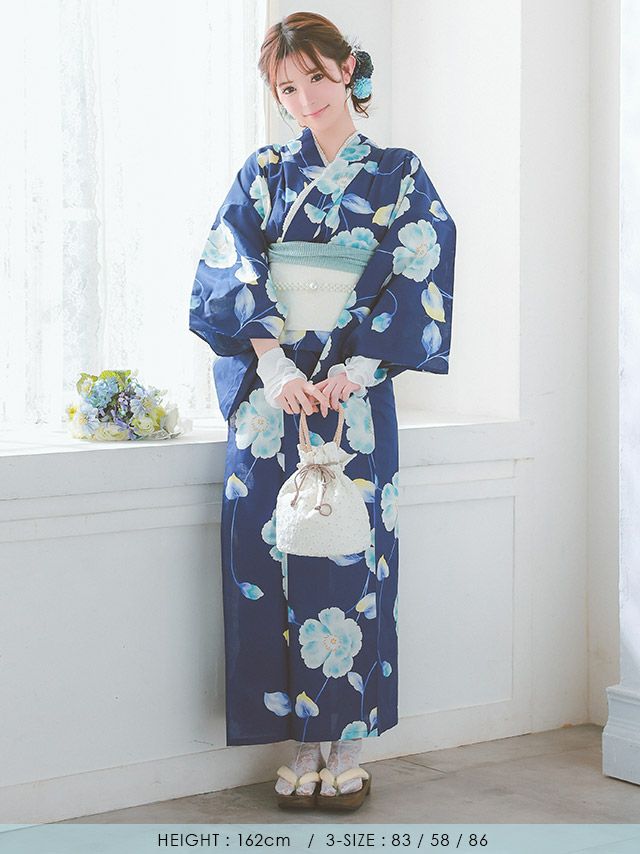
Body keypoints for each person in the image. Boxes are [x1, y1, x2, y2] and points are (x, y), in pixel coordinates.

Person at [188, 11, 456, 811]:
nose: (304, 99)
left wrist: (358, 367)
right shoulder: (265, 171)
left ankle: (346, 746)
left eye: (315, 77)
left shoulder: (398, 173)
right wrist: (272, 365)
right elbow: (228, 264)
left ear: (348, 71)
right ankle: (300, 746)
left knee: (351, 564)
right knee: (266, 560)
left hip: (352, 400)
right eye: (286, 88)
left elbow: (421, 263)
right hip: (271, 399)